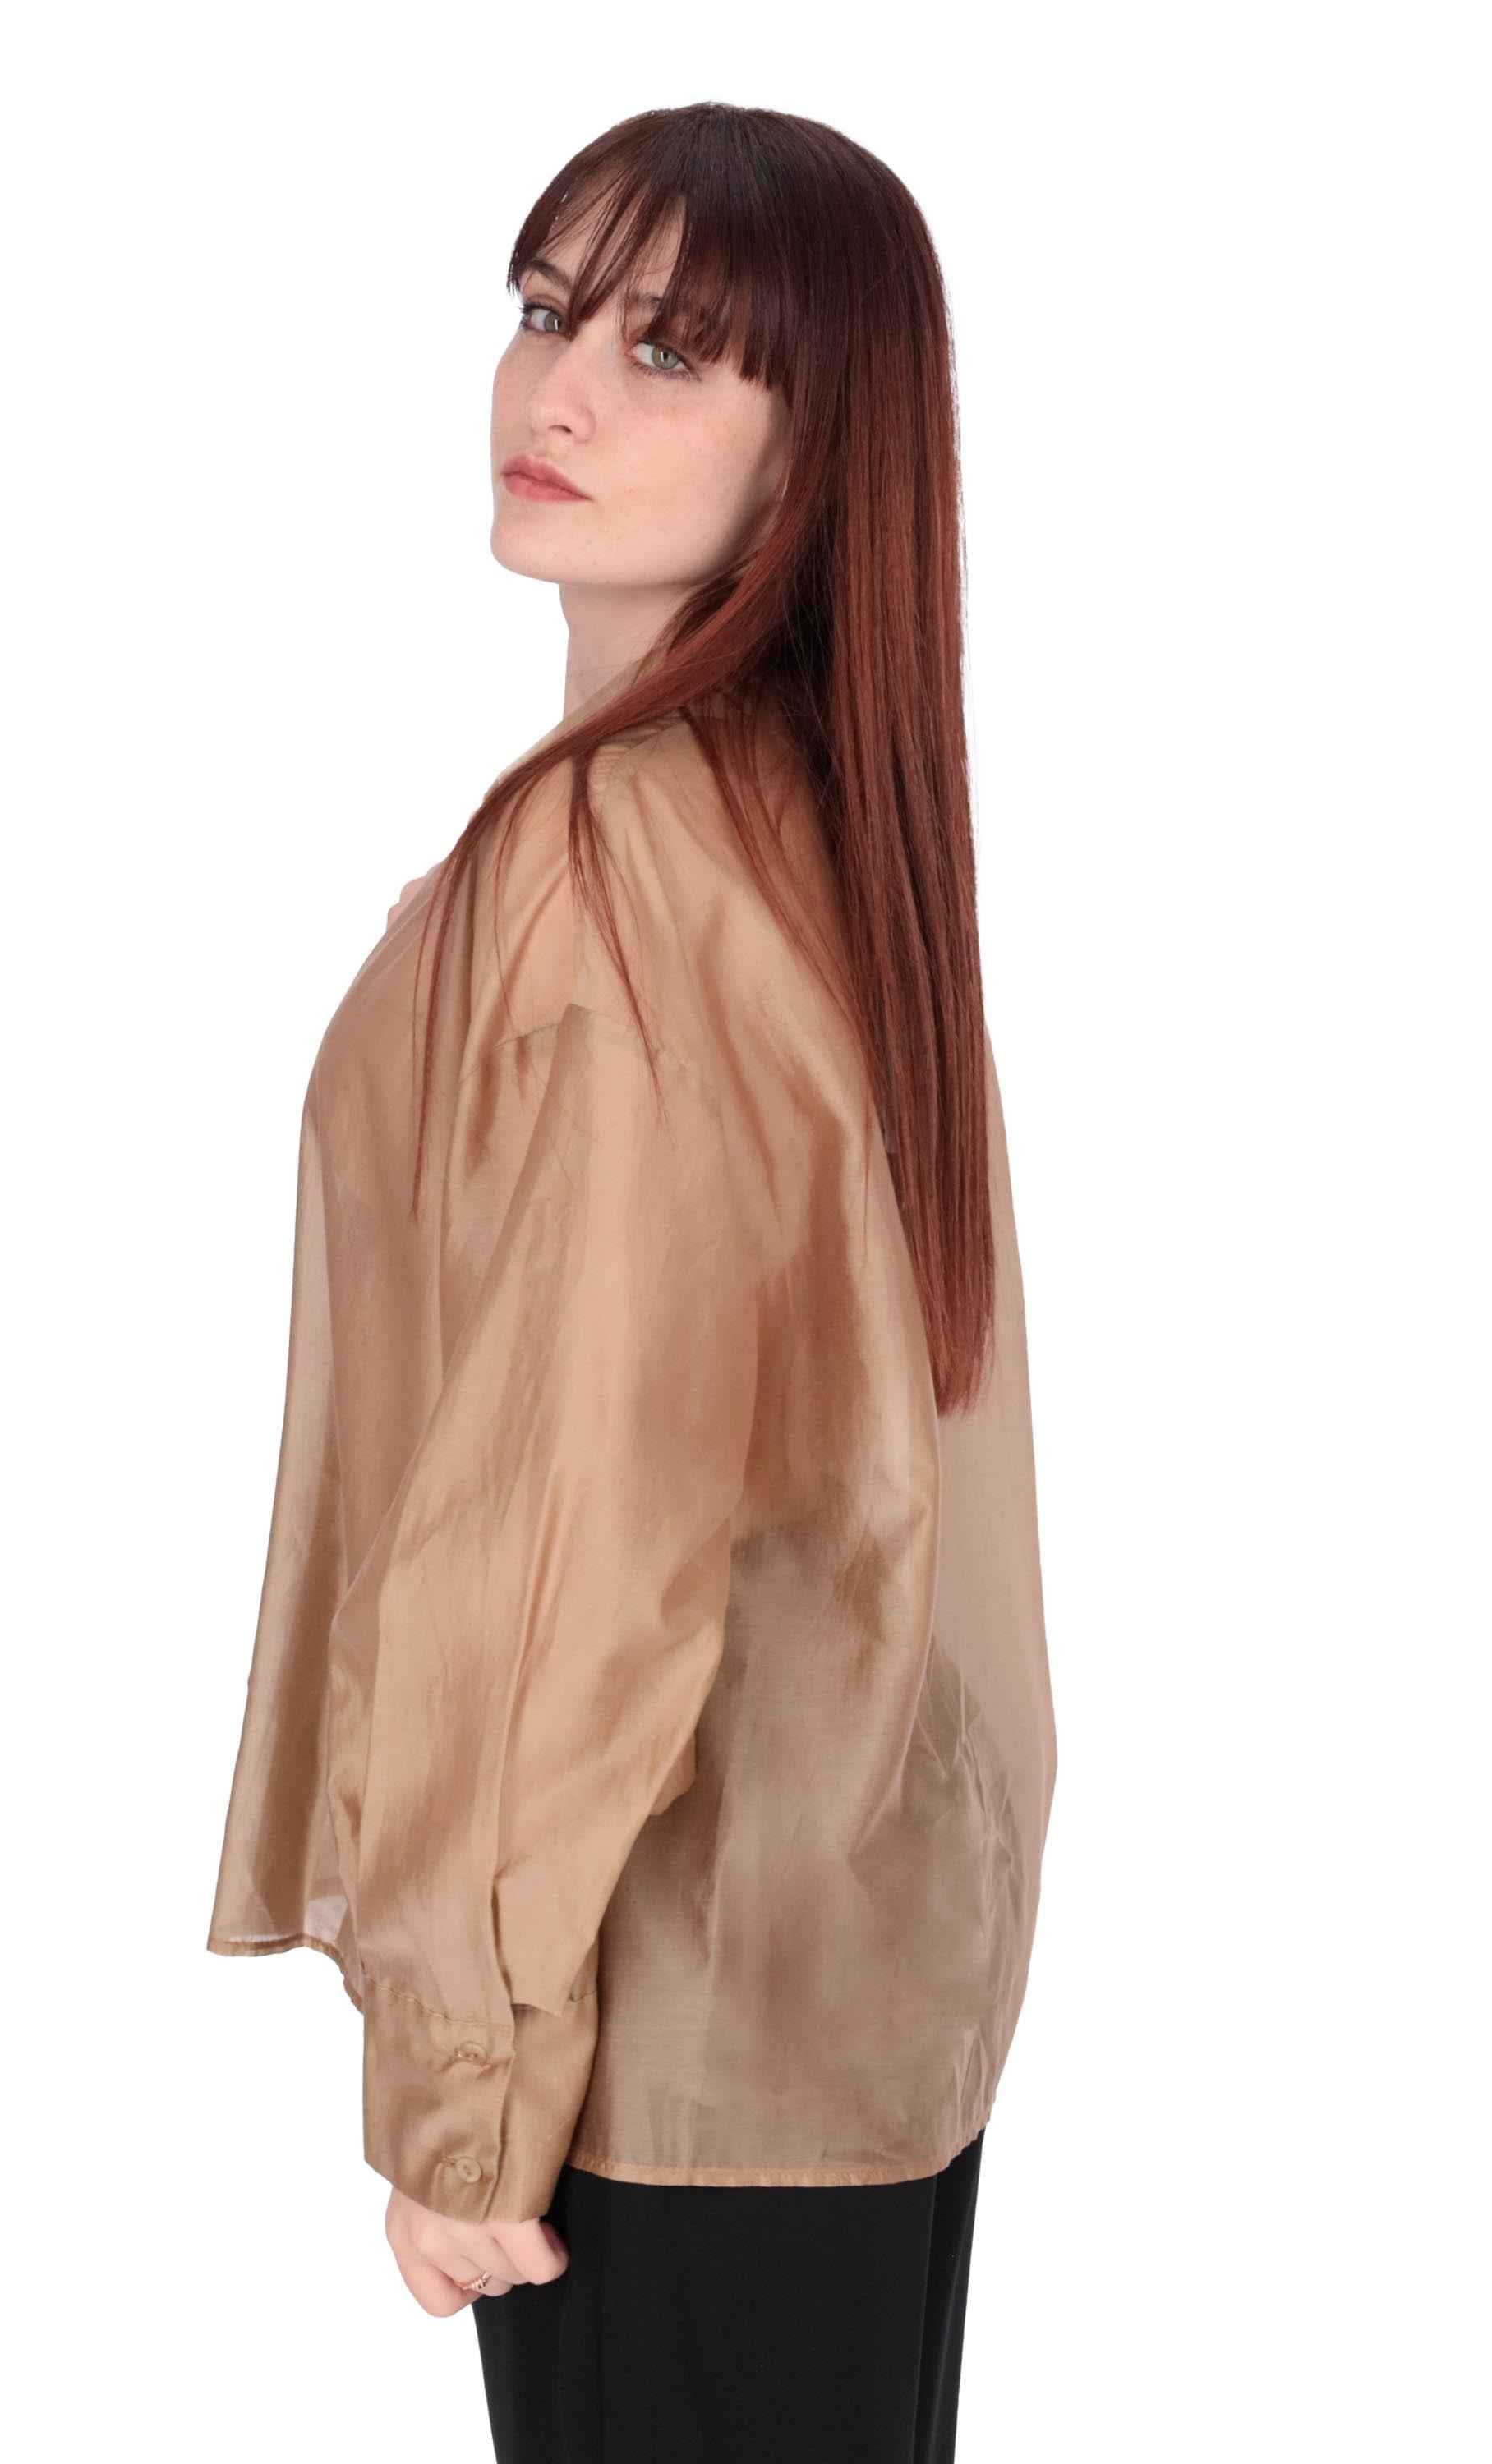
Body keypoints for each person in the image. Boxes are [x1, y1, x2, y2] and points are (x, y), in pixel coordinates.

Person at [207, 100, 1057, 2462]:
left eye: (672, 348)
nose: (558, 388)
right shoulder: (809, 823)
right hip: (855, 1996)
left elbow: (576, 1510)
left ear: (819, 443)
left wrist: (464, 2082)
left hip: (655, 2047)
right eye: (545, 311)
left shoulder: (617, 854)